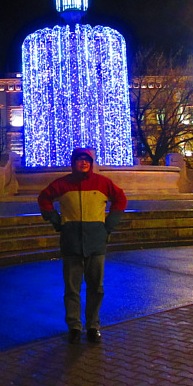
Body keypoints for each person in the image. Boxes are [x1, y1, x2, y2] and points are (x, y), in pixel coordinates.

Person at [38, 147, 127, 344]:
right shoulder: (62, 184)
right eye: (79, 159)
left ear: (92, 163)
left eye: (87, 159)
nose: (84, 162)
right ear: (73, 162)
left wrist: (109, 225)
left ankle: (93, 325)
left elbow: (120, 199)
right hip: (71, 242)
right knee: (72, 288)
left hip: (96, 241)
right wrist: (55, 220)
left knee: (96, 287)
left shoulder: (102, 183)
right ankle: (74, 327)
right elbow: (44, 198)